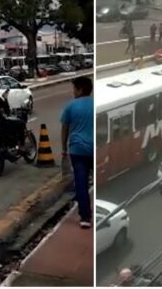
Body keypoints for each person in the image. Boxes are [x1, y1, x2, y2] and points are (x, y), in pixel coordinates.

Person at [61, 77, 93, 228]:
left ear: (80, 90)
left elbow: (65, 128)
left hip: (77, 150)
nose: (73, 92)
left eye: (74, 89)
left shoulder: (71, 106)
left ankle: (85, 217)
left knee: (81, 183)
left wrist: (63, 148)